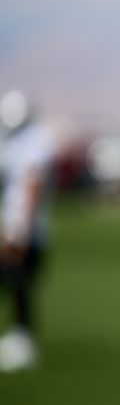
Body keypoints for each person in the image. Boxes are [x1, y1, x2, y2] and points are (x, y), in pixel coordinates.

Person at [0, 90, 54, 373]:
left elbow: (32, 190)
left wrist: (20, 233)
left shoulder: (35, 144)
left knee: (18, 283)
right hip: (16, 229)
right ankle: (19, 339)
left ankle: (23, 343)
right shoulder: (15, 143)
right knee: (13, 283)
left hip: (28, 234)